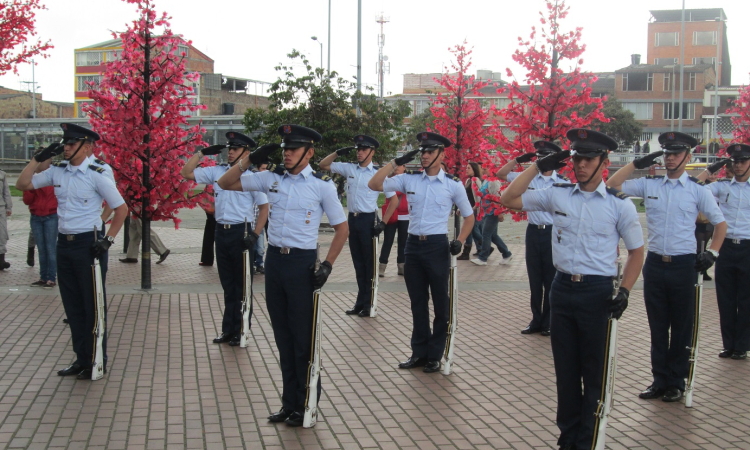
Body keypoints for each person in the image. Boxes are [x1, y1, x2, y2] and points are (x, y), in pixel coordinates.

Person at [500, 128, 645, 450]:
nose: (580, 165)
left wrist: (625, 291)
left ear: (604, 162)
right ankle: (568, 439)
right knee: (566, 376)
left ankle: (589, 441)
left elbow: (637, 251)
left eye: (588, 159)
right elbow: (508, 199)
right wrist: (537, 167)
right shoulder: (558, 193)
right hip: (562, 290)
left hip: (597, 294)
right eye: (576, 158)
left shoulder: (620, 206)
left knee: (593, 373)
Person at [217, 124, 348, 427]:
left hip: (302, 264)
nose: (286, 153)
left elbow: (343, 229)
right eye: (285, 148)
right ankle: (289, 404)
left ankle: (307, 402)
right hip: (275, 262)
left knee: (302, 338)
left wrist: (327, 265)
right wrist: (248, 160)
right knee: (283, 338)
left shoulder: (322, 185)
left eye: (294, 148)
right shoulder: (271, 178)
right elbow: (225, 183)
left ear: (309, 152)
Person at [607, 131, 726, 403]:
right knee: (658, 326)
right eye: (667, 154)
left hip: (684, 265)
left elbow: (720, 225)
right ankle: (659, 380)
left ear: (688, 157)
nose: (670, 158)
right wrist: (636, 164)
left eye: (675, 154)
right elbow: (612, 185)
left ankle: (676, 381)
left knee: (681, 326)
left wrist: (713, 253)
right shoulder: (650, 185)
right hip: (656, 265)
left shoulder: (698, 190)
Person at [16, 123, 128, 380]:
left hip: (89, 244)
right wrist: (38, 159)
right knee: (73, 306)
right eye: (65, 144)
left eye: (70, 144)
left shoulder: (97, 172)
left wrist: (107, 240)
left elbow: (120, 209)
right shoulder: (58, 172)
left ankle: (97, 361)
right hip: (63, 245)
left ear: (86, 147)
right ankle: (81, 359)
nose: (65, 148)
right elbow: (23, 184)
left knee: (92, 306)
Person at [368, 131, 475, 374]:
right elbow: (373, 184)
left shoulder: (453, 184)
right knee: (417, 303)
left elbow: (469, 217)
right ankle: (419, 352)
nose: (424, 155)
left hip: (437, 246)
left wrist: (460, 240)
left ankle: (435, 355)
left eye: (429, 151)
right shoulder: (410, 180)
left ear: (441, 153)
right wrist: (396, 162)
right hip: (413, 247)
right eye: (422, 151)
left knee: (440, 303)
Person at [181, 131, 269, 347]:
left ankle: (242, 330)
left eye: (235, 149)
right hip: (221, 232)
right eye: (229, 149)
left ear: (246, 153)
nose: (230, 152)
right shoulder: (218, 172)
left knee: (242, 286)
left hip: (242, 232)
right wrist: (201, 153)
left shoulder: (252, 177)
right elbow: (186, 172)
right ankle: (228, 330)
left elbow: (265, 207)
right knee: (228, 285)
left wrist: (256, 234)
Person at [497, 141, 569, 336]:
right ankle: (536, 320)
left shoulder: (562, 182)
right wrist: (518, 160)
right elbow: (501, 175)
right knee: (535, 280)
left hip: (551, 233)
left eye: (544, 158)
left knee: (550, 279)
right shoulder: (528, 179)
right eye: (538, 158)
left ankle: (548, 321)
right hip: (533, 232)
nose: (540, 162)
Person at [319, 135, 383, 317]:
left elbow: (393, 198)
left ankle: (369, 303)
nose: (359, 153)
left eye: (363, 149)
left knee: (369, 265)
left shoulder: (377, 174)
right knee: (358, 264)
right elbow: (323, 165)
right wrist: (338, 153)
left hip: (368, 220)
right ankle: (360, 302)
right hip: (353, 220)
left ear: (372, 152)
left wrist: (384, 223)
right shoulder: (349, 168)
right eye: (358, 149)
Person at [698, 144, 750, 360]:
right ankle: (729, 344)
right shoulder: (721, 187)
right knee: (726, 298)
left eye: (742, 162)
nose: (737, 166)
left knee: (746, 300)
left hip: (748, 247)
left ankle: (742, 345)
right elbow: (696, 186)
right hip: (726, 247)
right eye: (734, 162)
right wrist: (711, 169)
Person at [22, 154, 58, 288]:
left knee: (50, 248)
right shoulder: (32, 178)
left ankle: (51, 277)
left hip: (51, 215)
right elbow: (27, 200)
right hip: (36, 216)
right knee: (42, 249)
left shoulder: (53, 175)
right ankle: (43, 277)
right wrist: (30, 188)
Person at [470, 163, 513, 266]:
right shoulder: (486, 180)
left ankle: (483, 257)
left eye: (485, 169)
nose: (483, 171)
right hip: (487, 211)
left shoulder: (494, 182)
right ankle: (506, 254)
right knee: (492, 235)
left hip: (493, 212)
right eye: (483, 169)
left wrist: (499, 212)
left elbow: (497, 197)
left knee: (486, 234)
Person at [379, 164, 409, 276]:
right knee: (388, 240)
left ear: (404, 167)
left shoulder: (408, 179)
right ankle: (382, 265)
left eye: (400, 166)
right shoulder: (389, 180)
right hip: (391, 215)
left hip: (405, 216)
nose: (397, 167)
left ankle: (401, 265)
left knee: (403, 242)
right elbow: (390, 194)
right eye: (396, 165)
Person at [458, 163, 484, 260]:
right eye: (466, 167)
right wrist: (460, 208)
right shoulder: (468, 180)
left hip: (474, 209)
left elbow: (478, 197)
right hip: (469, 209)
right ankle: (466, 252)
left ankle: (485, 246)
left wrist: (474, 209)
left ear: (474, 170)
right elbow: (466, 198)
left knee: (472, 230)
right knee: (468, 231)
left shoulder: (475, 180)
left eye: (469, 168)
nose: (466, 169)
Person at [198, 187, 216, 266]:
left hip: (216, 210)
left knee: (211, 232)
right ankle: (207, 259)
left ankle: (207, 259)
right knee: (209, 233)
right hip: (212, 209)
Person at [0, 167, 12, 270]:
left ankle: (1, 260)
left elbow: (6, 192)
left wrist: (8, 207)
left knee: (2, 234)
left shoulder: (2, 174)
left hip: (0, 208)